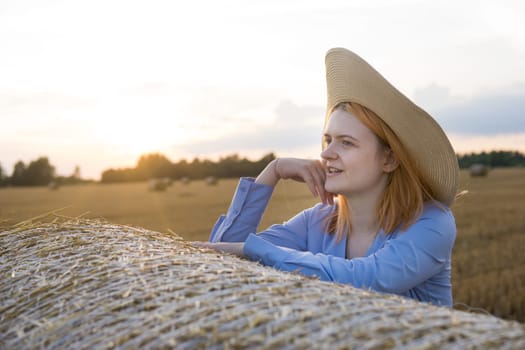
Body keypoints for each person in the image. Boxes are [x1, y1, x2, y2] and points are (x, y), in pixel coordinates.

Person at [194, 48, 459, 307]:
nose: (327, 153)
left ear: (389, 159)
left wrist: (253, 249)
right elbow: (222, 258)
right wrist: (272, 172)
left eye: (346, 143)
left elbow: (365, 279)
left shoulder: (431, 222)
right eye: (327, 140)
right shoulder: (318, 220)